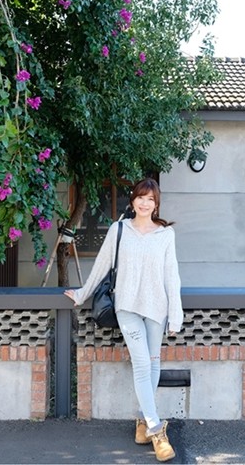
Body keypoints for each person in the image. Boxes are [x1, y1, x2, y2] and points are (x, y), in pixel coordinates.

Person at [64, 178, 183, 461]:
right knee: (142, 363)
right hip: (127, 306)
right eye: (141, 197)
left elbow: (172, 276)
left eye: (151, 199)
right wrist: (82, 293)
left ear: (156, 204)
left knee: (154, 362)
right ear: (132, 201)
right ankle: (156, 429)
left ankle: (143, 422)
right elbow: (102, 266)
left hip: (157, 308)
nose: (145, 203)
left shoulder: (165, 234)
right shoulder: (119, 230)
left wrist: (175, 315)